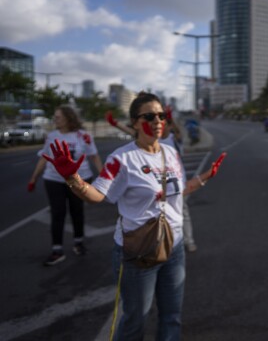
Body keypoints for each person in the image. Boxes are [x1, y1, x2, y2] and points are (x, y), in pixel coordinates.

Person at [42, 92, 226, 340]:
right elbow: (98, 194)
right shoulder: (122, 159)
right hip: (138, 250)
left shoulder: (170, 152)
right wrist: (73, 179)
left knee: (172, 317)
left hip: (174, 245)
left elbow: (178, 191)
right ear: (134, 123)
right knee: (134, 321)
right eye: (149, 116)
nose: (158, 120)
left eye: (161, 115)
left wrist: (204, 177)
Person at [106, 105, 198, 252]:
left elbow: (178, 131)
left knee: (181, 212)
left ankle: (188, 240)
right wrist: (115, 124)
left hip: (175, 185)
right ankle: (160, 243)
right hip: (155, 186)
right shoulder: (150, 140)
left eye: (164, 123)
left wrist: (170, 117)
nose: (160, 125)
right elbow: (132, 131)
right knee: (155, 216)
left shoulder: (173, 139)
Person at [27, 105, 103, 266]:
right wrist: (34, 178)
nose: (55, 120)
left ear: (69, 118)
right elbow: (43, 158)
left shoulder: (84, 136)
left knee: (77, 210)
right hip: (54, 179)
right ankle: (57, 250)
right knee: (58, 212)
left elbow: (94, 157)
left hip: (79, 180)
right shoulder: (52, 136)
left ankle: (79, 242)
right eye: (55, 117)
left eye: (58, 117)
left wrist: (104, 177)